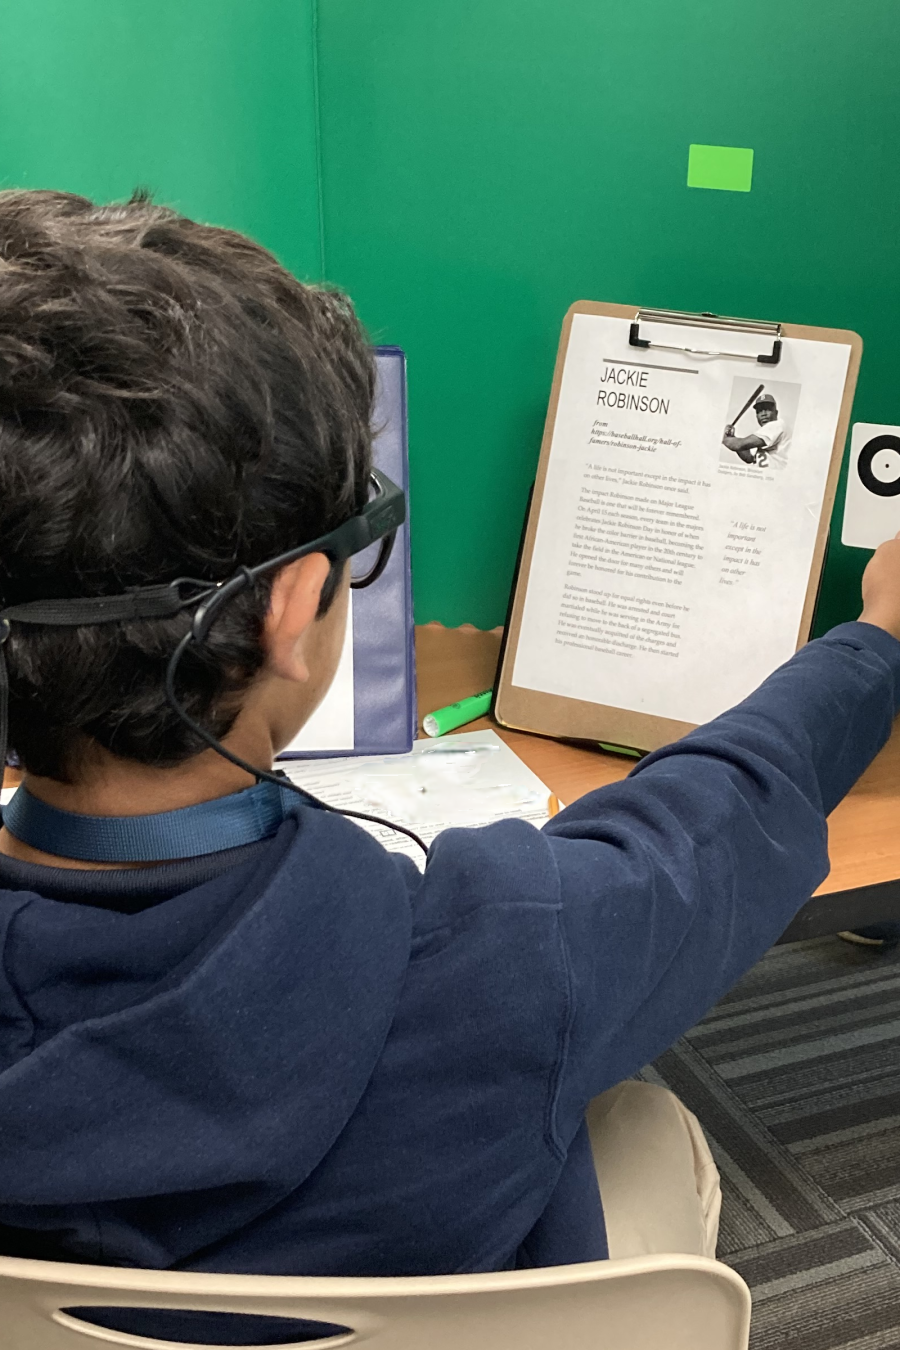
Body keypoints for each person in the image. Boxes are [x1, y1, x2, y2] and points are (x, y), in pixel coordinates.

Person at [0, 191, 899, 1344]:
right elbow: (714, 821)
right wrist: (879, 637)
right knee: (644, 1120)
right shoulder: (507, 957)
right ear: (291, 608)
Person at [723, 391, 790, 467]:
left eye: (767, 409)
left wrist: (724, 438)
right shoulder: (763, 434)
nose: (763, 414)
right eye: (759, 411)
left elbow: (738, 445)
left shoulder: (777, 425)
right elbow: (749, 457)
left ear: (776, 412)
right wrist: (732, 437)